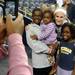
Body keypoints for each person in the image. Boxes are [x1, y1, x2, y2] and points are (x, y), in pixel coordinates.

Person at [26, 8, 54, 75]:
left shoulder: (45, 26)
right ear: (32, 16)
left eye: (39, 15)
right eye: (35, 15)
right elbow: (34, 45)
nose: (37, 17)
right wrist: (49, 50)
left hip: (50, 62)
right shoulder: (29, 28)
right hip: (40, 64)